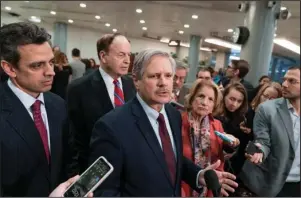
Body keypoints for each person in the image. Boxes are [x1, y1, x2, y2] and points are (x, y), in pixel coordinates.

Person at [89, 49, 238, 196]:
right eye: (155, 76)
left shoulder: (173, 115)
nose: (164, 83)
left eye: (168, 76)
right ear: (136, 80)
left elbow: (171, 160)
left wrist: (198, 175)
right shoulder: (111, 126)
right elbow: (105, 191)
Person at [0, 22, 71, 196]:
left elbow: (67, 160)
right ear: (9, 68)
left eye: (51, 62)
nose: (51, 72)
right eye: (37, 66)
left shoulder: (58, 104)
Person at [67, 33, 136, 175]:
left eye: (129, 55)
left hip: (128, 169)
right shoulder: (79, 88)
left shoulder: (131, 85)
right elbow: (72, 137)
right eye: (121, 55)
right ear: (103, 56)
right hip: (93, 170)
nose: (127, 61)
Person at [240, 66, 300, 197]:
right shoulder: (267, 109)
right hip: (268, 183)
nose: (284, 84)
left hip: (296, 186)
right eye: (284, 80)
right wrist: (259, 151)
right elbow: (263, 141)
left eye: (292, 81)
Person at [181, 80, 240, 197]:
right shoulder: (178, 121)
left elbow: (223, 155)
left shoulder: (217, 125)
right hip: (183, 187)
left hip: (209, 188)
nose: (204, 102)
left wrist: (234, 144)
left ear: (213, 106)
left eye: (210, 99)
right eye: (201, 96)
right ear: (192, 99)